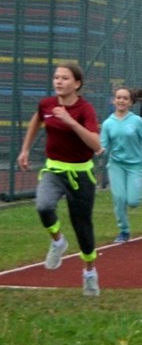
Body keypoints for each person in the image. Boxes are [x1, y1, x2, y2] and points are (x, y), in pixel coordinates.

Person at [17, 62, 103, 296]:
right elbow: (37, 119)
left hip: (81, 174)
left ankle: (89, 273)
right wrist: (24, 150)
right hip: (54, 170)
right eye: (56, 77)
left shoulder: (85, 109)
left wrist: (70, 121)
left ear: (77, 83)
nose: (58, 82)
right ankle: (58, 242)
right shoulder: (46, 104)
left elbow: (96, 145)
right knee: (44, 206)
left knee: (82, 226)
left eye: (65, 78)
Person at [100, 86, 142, 243]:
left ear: (130, 102)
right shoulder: (108, 123)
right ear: (113, 100)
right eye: (118, 97)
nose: (121, 101)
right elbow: (103, 146)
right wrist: (98, 150)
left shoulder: (136, 121)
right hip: (116, 164)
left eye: (125, 98)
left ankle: (138, 187)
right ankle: (124, 230)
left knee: (133, 201)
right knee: (119, 198)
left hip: (135, 165)